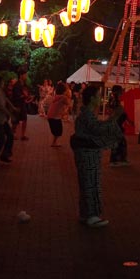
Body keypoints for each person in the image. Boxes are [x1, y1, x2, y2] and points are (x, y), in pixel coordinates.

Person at [71, 85, 124, 228]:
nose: (101, 97)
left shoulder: (86, 114)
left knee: (87, 183)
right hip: (88, 154)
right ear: (92, 98)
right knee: (90, 183)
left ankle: (85, 214)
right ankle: (91, 215)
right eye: (98, 95)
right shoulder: (87, 115)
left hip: (85, 153)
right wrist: (114, 118)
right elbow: (98, 129)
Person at [107, 85, 130, 167]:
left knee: (120, 142)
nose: (122, 93)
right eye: (121, 91)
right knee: (118, 142)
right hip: (116, 125)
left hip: (117, 124)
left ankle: (119, 159)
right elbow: (115, 112)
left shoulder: (114, 100)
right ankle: (114, 160)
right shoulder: (114, 101)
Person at [47, 82, 72, 147]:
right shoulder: (63, 97)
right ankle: (54, 142)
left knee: (56, 131)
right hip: (55, 117)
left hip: (50, 115)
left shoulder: (56, 96)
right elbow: (69, 104)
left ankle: (54, 142)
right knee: (59, 131)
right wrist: (68, 95)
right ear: (64, 90)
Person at [11, 67, 30, 141]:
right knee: (15, 121)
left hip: (23, 104)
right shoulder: (17, 85)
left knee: (25, 119)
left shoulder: (24, 84)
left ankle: (23, 135)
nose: (26, 76)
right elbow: (16, 96)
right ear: (21, 75)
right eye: (25, 74)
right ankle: (13, 134)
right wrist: (24, 95)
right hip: (17, 105)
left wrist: (27, 96)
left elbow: (26, 92)